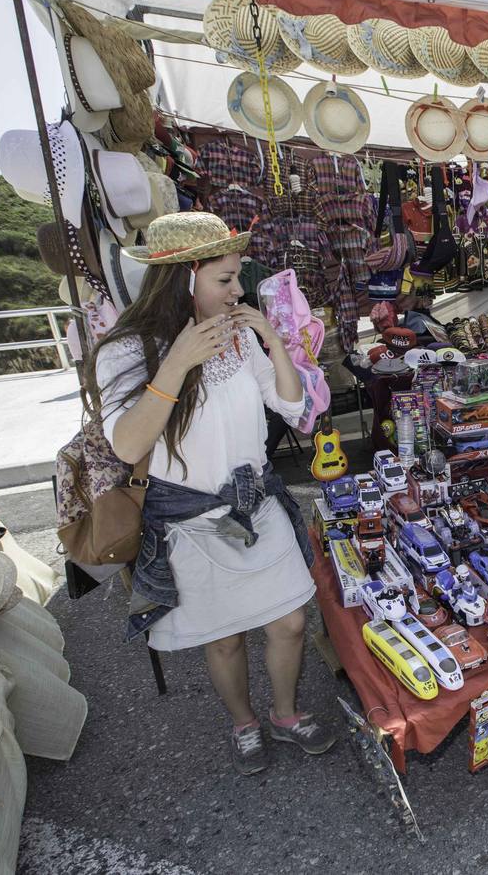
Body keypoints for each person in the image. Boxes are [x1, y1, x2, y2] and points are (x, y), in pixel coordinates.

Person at [89, 212, 334, 775]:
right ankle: (244, 723)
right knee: (223, 639)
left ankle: (286, 714)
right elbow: (127, 444)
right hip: (190, 520)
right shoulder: (124, 352)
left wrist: (271, 338)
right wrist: (177, 362)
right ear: (184, 278)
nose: (238, 290)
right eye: (224, 280)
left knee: (291, 622)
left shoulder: (241, 337)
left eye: (236, 278)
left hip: (257, 503)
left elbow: (295, 409)